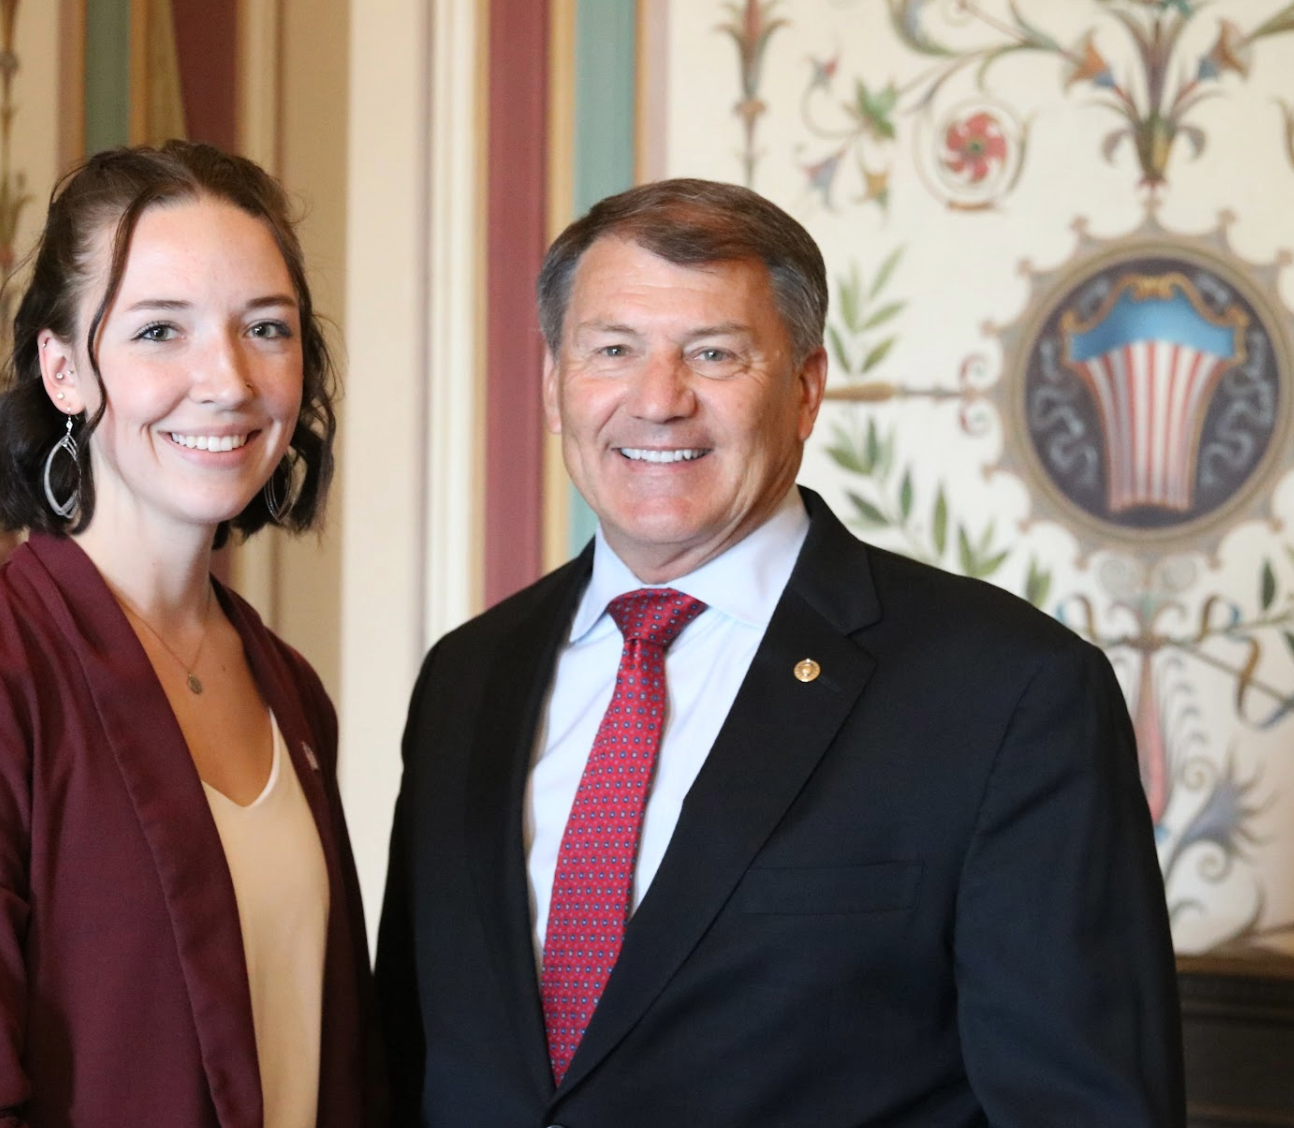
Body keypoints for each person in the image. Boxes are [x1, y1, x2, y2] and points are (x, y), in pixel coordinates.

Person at [377, 179, 1183, 1127]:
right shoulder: (468, 678)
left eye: (713, 354)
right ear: (556, 385)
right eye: (612, 351)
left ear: (804, 389)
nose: (658, 401)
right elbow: (405, 1064)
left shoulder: (1011, 693)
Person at [0, 141, 381, 1128]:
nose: (224, 379)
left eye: (266, 328)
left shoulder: (291, 691)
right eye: (159, 331)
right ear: (63, 371)